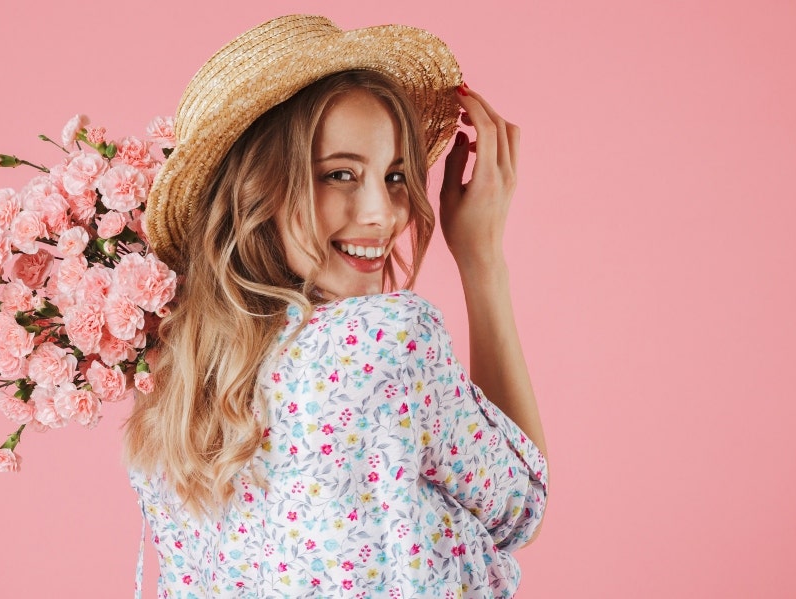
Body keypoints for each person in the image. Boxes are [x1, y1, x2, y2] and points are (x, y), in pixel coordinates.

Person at [123, 15, 549, 598]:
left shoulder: (176, 377)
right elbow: (521, 504)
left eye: (397, 175)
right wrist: (482, 262)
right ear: (256, 188)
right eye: (340, 175)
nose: (382, 211)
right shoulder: (388, 339)